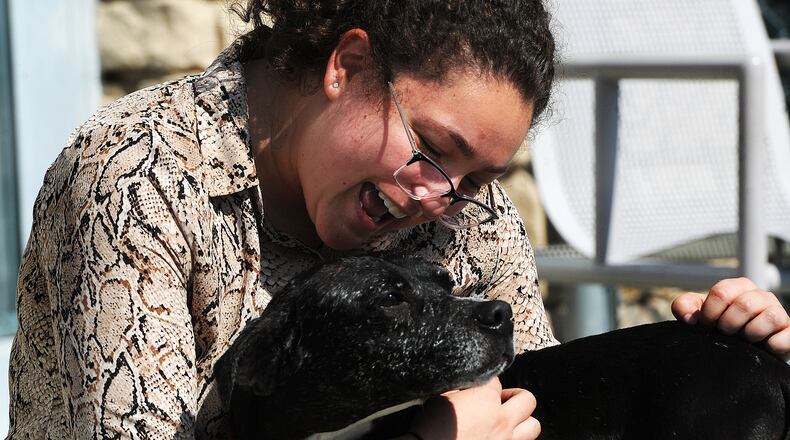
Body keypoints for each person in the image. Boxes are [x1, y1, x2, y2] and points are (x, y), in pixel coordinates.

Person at [7, 1, 790, 439]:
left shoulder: (460, 210)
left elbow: (531, 395)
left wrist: (724, 355)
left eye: (478, 177)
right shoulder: (135, 180)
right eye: (433, 148)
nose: (438, 196)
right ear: (345, 66)